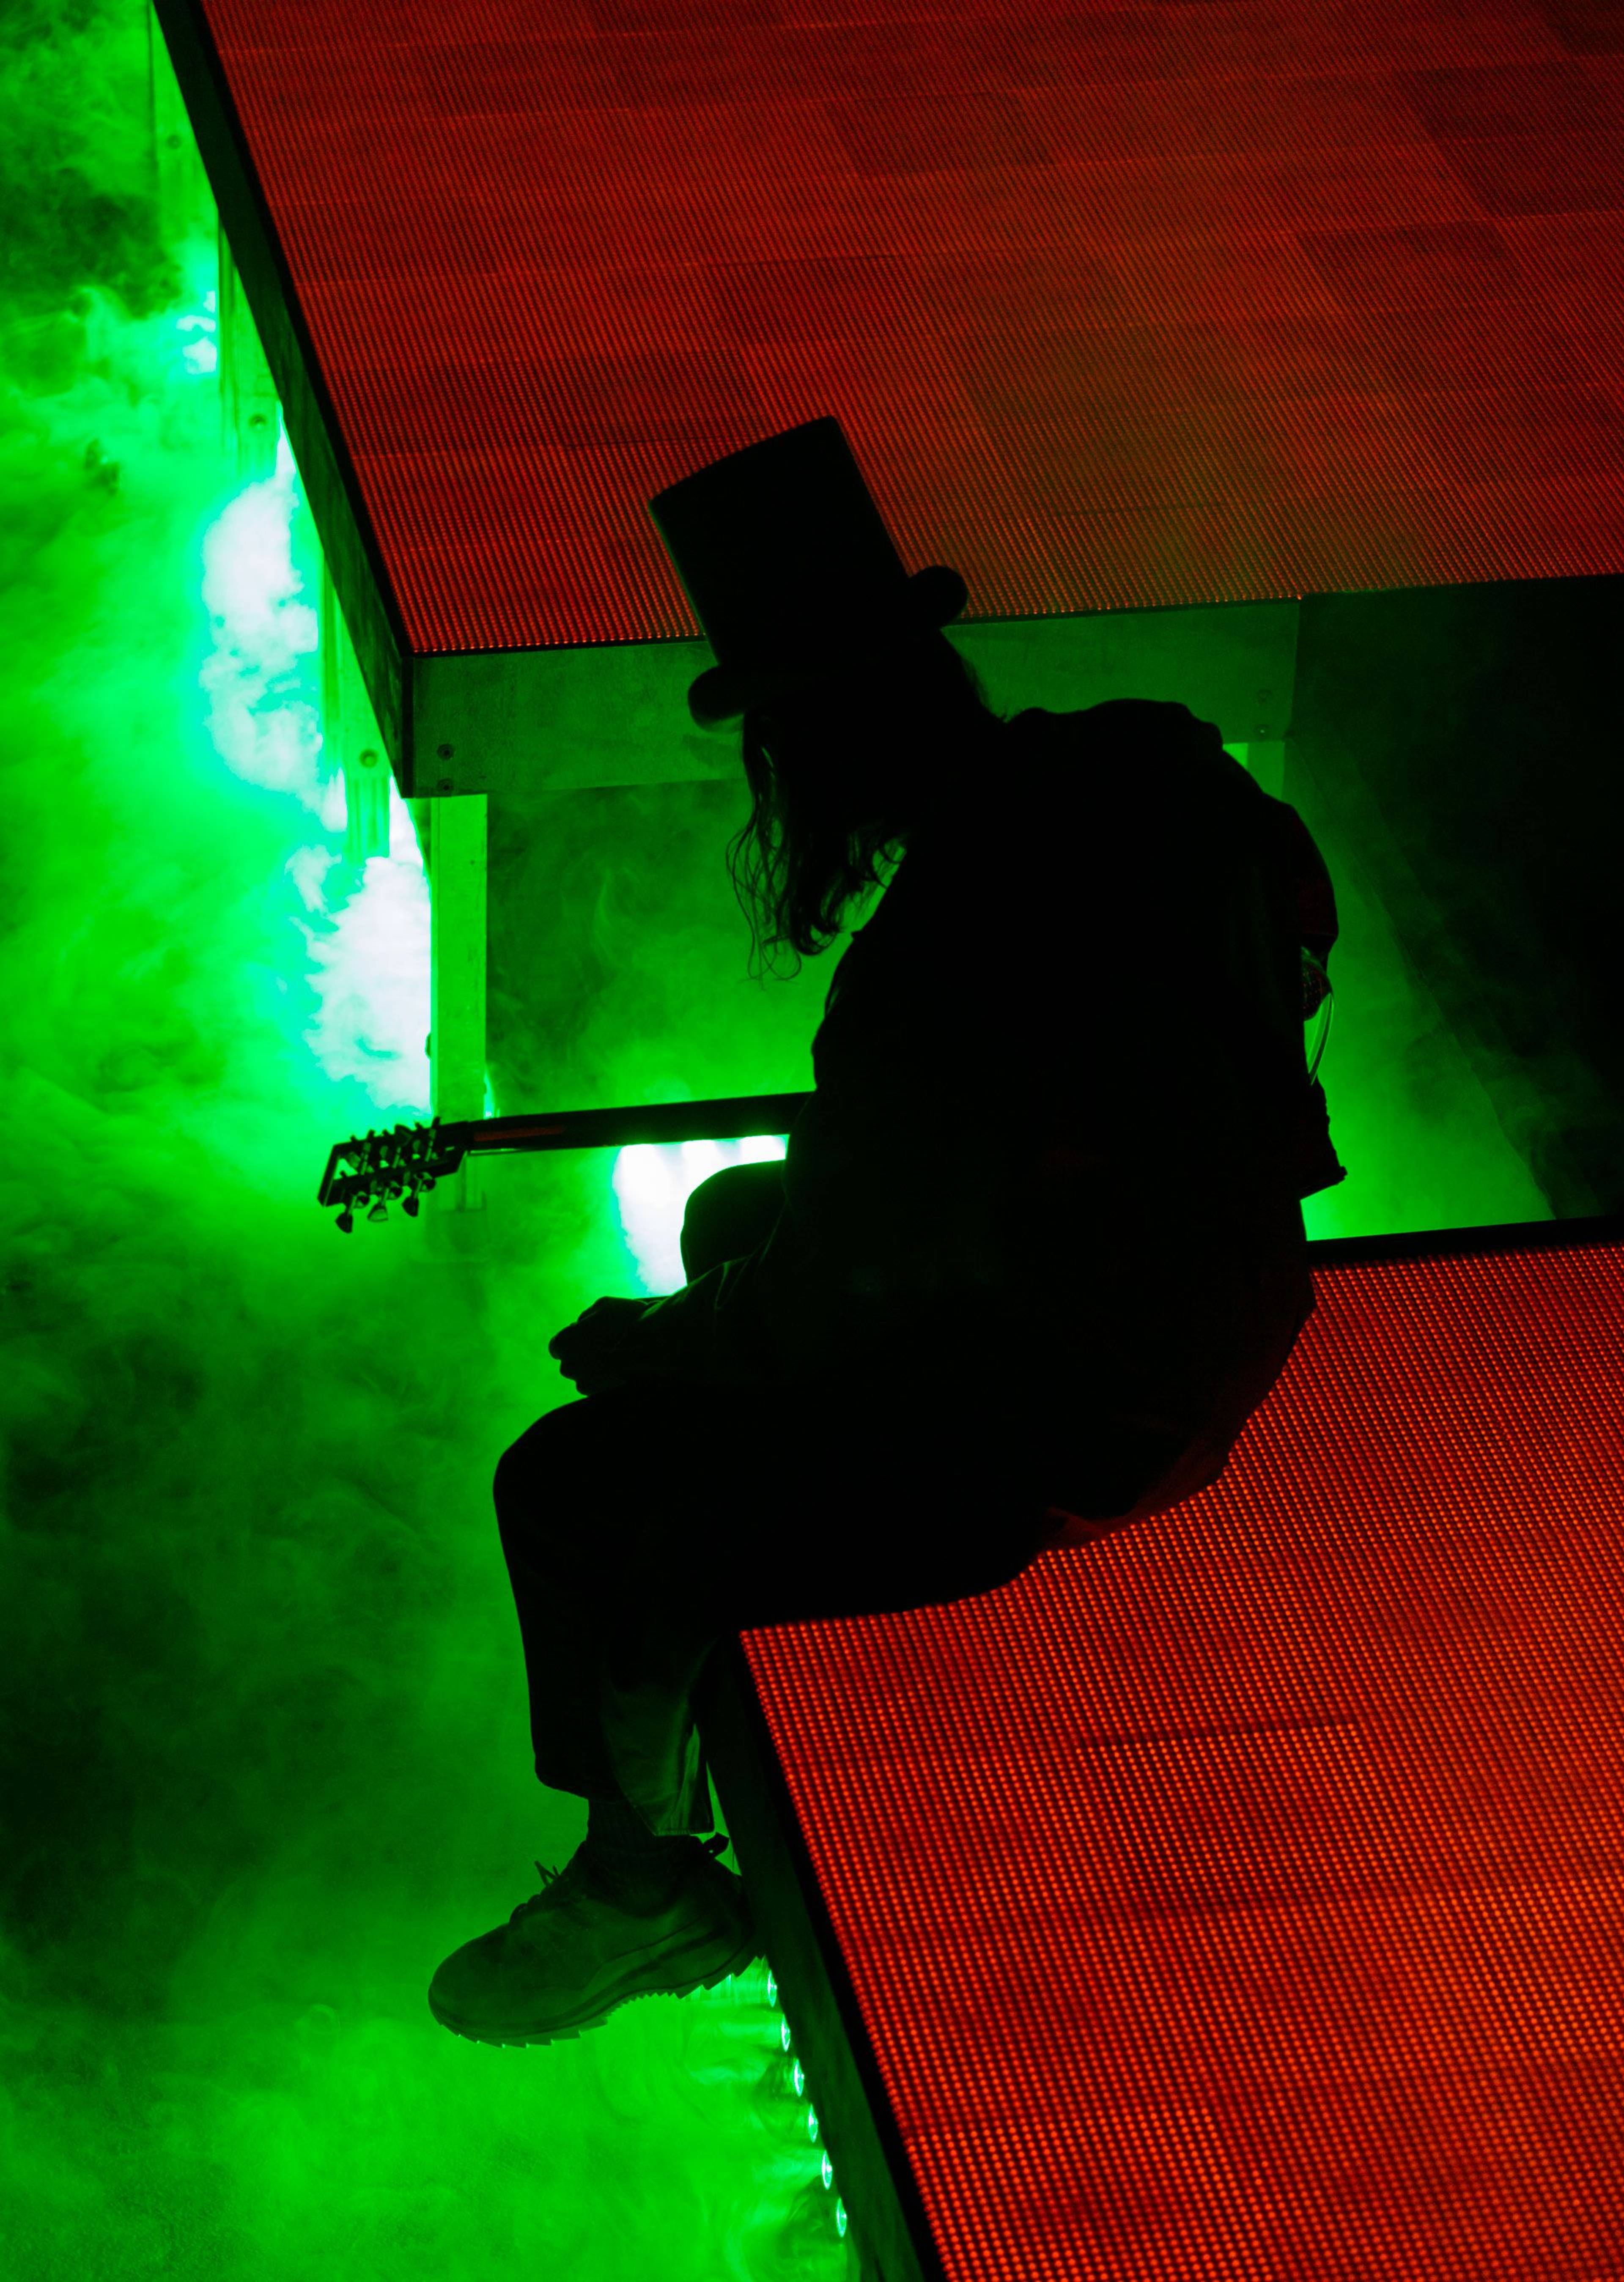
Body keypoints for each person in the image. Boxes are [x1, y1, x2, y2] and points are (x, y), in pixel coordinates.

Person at [428, 418, 1344, 2048]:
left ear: (814, 738)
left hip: (1076, 1408)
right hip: (1213, 1290)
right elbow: (1288, 923)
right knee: (732, 1210)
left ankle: (646, 1885)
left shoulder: (933, 967)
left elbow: (843, 1287)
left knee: (574, 1486)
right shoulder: (1143, 769)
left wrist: (660, 1346)